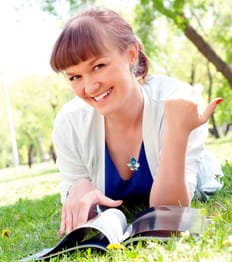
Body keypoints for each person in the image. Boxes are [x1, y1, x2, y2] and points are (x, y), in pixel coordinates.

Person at [50, 7, 223, 235]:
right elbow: (77, 196)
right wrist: (78, 186)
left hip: (198, 178)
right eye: (75, 77)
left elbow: (170, 212)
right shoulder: (70, 123)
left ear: (131, 54)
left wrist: (177, 132)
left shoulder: (177, 101)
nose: (90, 86)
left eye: (99, 66)